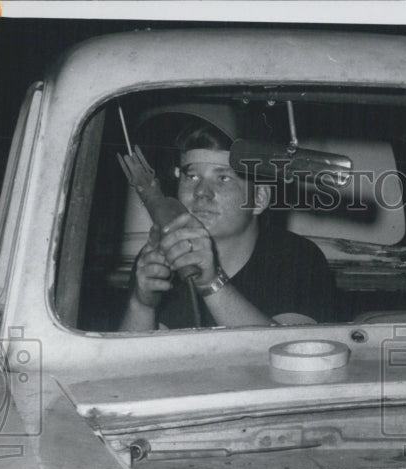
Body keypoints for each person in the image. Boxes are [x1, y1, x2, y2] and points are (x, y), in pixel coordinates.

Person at [119, 118, 336, 331]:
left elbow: (293, 353)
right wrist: (142, 305)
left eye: (223, 178)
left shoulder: (298, 258)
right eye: (192, 177)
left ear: (259, 198)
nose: (201, 192)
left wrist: (212, 283)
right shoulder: (164, 257)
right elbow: (132, 363)